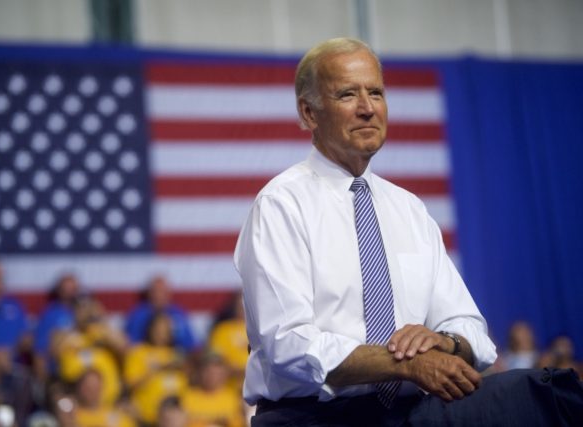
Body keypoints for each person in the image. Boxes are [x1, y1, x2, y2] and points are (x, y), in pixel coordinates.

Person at [234, 37, 583, 426]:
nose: (367, 108)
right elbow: (288, 346)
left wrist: (444, 343)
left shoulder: (410, 209)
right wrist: (405, 364)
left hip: (411, 414)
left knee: (551, 396)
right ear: (309, 113)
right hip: (313, 417)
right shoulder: (281, 205)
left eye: (377, 93)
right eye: (348, 94)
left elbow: (474, 333)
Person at [125, 276, 197, 352]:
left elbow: (190, 344)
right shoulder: (138, 314)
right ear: (150, 293)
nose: (159, 295)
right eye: (156, 291)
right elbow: (131, 343)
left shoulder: (178, 314)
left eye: (162, 291)